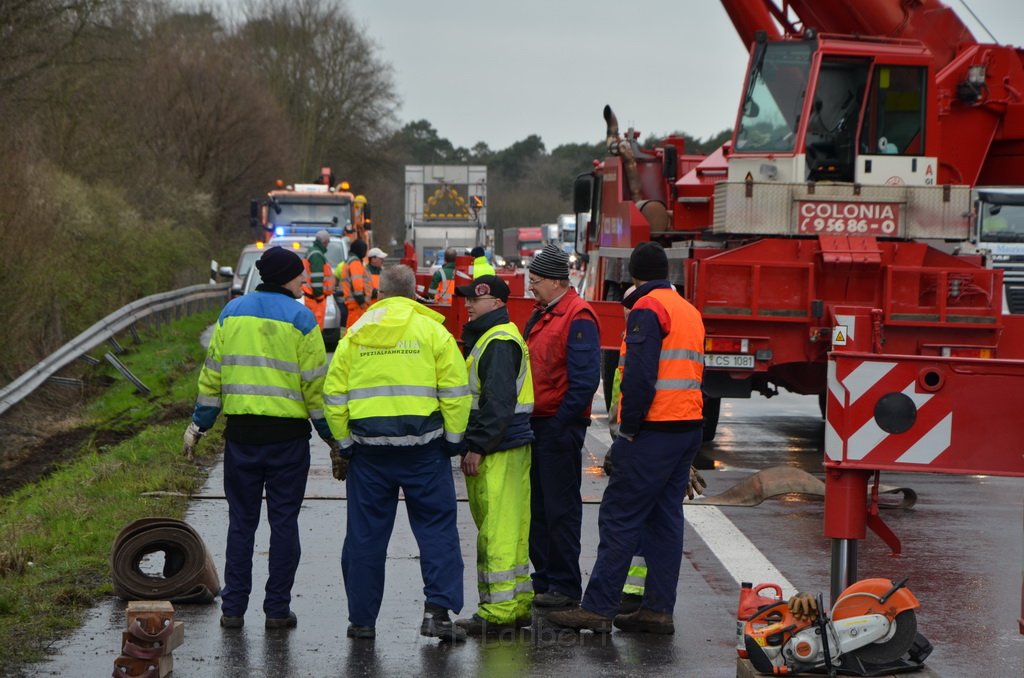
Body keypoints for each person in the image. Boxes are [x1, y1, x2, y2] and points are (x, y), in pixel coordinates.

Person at [182, 246, 343, 631]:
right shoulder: (302, 319)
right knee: (284, 524)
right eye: (301, 275)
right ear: (287, 277)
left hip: (242, 438)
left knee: (241, 524)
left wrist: (198, 426)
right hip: (287, 442)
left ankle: (233, 610)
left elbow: (212, 378)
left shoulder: (231, 313)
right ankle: (276, 610)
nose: (306, 280)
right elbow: (315, 391)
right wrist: (333, 440)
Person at [549, 241, 704, 635]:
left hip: (654, 429)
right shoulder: (688, 310)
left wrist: (627, 432)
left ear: (632, 277)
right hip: (687, 426)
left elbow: (638, 376)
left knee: (620, 515)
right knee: (666, 518)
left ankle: (598, 607)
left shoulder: (647, 308)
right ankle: (657, 610)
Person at [323, 264, 471, 642]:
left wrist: (344, 444)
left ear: (380, 294)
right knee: (437, 529)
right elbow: (455, 392)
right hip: (424, 452)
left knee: (364, 537)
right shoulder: (433, 332)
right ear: (413, 293)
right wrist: (454, 441)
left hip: (369, 454)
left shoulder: (355, 335)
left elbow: (334, 396)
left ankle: (362, 621)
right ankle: (437, 613)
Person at [451, 275, 535, 635]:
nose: (468, 305)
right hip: (508, 446)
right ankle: (515, 604)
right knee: (511, 528)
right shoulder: (495, 338)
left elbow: (496, 403)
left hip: (497, 449)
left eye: (476, 299)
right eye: (467, 299)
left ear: (497, 303)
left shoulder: (497, 342)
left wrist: (477, 447)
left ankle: (497, 613)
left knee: (496, 530)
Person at [522, 243, 601, 609]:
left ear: (556, 281)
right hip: (538, 423)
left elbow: (584, 380)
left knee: (560, 509)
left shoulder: (578, 316)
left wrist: (562, 422)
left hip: (557, 426)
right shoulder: (543, 314)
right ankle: (545, 580)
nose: (531, 286)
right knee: (538, 509)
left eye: (535, 280)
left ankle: (565, 585)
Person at [302, 229, 336, 329]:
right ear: (324, 242)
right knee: (315, 330)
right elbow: (316, 279)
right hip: (316, 300)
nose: (328, 244)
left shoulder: (313, 252)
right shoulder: (317, 255)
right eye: (328, 242)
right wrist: (320, 296)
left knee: (312, 328)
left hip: (312, 298)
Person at [338, 238, 370, 328]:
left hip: (352, 304)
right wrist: (361, 301)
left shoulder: (348, 261)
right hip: (357, 305)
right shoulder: (355, 262)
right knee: (356, 331)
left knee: (351, 330)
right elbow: (357, 284)